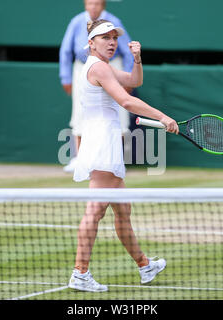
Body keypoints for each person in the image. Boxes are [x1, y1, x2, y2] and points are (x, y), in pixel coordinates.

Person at [67, 19, 179, 292]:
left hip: (106, 140)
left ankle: (144, 265)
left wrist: (137, 59)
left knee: (122, 211)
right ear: (91, 43)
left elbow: (133, 81)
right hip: (102, 142)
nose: (112, 41)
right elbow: (127, 101)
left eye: (114, 37)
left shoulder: (103, 67)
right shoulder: (97, 68)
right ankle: (80, 272)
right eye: (105, 37)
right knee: (94, 211)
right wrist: (163, 117)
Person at [59, 0, 134, 172]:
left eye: (97, 4)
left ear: (103, 5)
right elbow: (65, 50)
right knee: (80, 114)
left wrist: (130, 74)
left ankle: (116, 160)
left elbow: (126, 49)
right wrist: (66, 77)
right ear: (85, 4)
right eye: (90, 3)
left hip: (113, 66)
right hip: (83, 69)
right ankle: (80, 159)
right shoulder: (76, 21)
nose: (93, 7)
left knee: (118, 115)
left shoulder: (114, 21)